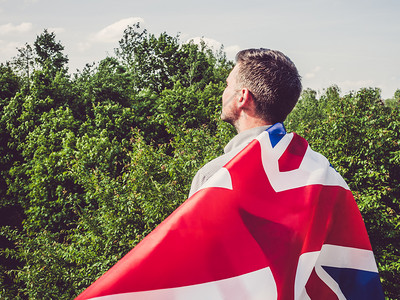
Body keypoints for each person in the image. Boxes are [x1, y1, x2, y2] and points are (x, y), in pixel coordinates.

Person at [189, 48, 302, 197]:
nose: (223, 93)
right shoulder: (322, 172)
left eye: (227, 85)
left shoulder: (215, 176)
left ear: (242, 97)